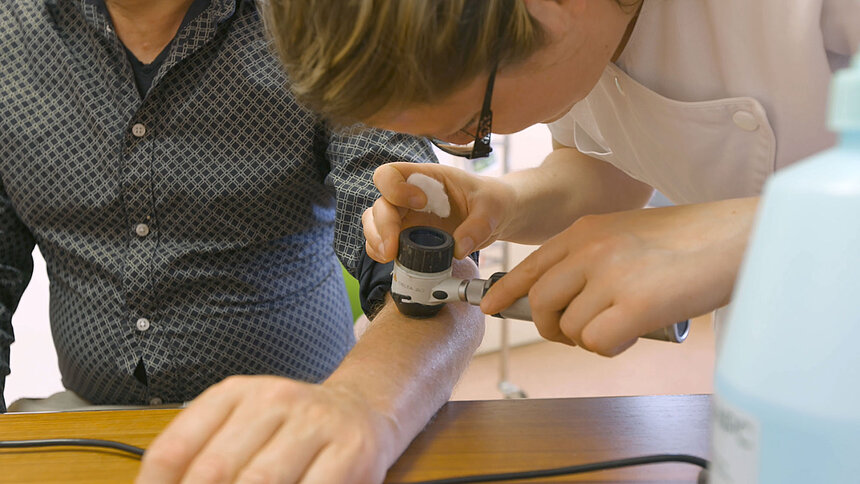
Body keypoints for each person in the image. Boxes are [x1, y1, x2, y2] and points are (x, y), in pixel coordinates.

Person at [0, 1, 483, 482]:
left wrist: (361, 405)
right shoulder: (11, 35)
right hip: (94, 426)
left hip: (308, 423)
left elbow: (433, 266)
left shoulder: (325, 22)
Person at [266, 0, 860, 356]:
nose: (476, 138)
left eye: (474, 121)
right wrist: (501, 201)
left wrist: (741, 237)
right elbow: (612, 163)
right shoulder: (579, 43)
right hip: (785, 357)